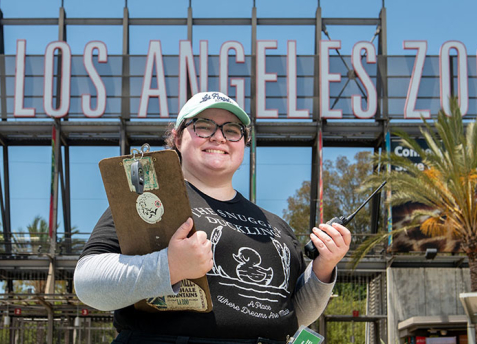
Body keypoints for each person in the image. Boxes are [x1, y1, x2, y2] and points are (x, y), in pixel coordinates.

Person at [74, 91, 351, 344]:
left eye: (232, 130)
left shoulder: (276, 225)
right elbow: (88, 284)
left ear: (244, 144)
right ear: (177, 138)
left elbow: (294, 316)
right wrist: (169, 266)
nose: (218, 137)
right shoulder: (150, 199)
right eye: (203, 126)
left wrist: (323, 269)